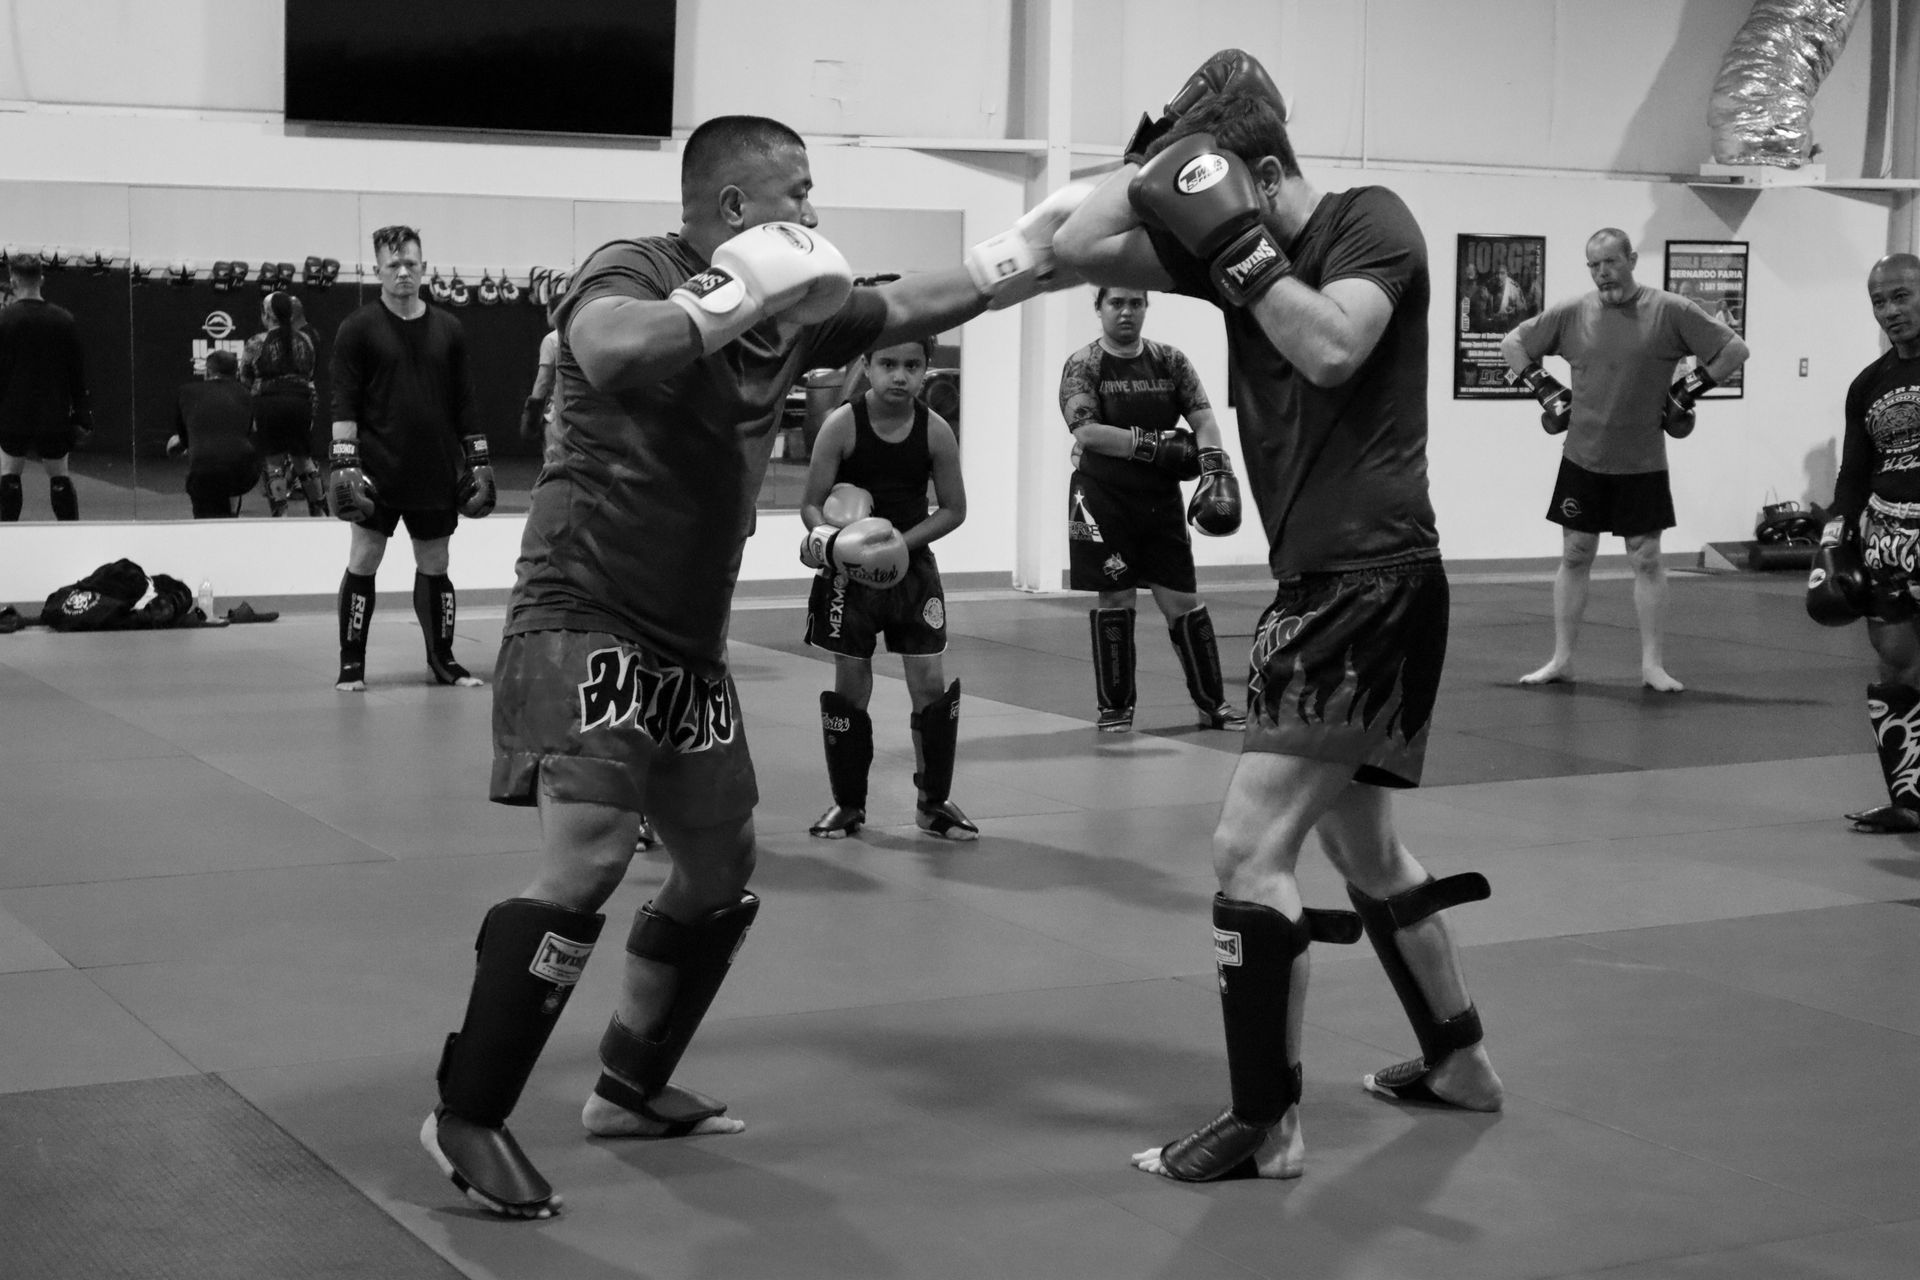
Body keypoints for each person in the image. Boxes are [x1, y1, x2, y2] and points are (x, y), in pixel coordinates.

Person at [422, 113, 1088, 1219]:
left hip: (687, 643)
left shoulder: (796, 317)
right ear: (739, 209)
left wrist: (1030, 256)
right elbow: (611, 350)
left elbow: (909, 305)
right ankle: (468, 1114)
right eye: (801, 193)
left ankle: (628, 1085)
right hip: (582, 610)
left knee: (719, 870)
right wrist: (735, 294)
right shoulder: (632, 269)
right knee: (586, 858)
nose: (817, 216)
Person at [1055, 49, 1504, 1183]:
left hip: (1372, 579)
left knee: (1247, 846)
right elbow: (1075, 239)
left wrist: (1233, 239)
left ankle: (1267, 1121)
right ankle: (1458, 1060)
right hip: (1328, 581)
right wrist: (1154, 165)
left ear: (1254, 170)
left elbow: (1333, 344)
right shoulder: (1225, 253)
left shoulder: (1370, 221)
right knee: (1365, 843)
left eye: (1210, 182)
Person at [1502, 227, 1749, 693]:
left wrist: (1688, 389)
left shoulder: (1670, 310)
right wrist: (1544, 387)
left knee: (1647, 557)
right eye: (1593, 266)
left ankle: (1652, 666)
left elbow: (1734, 349)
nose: (1602, 274)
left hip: (1642, 460)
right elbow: (1512, 344)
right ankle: (1562, 659)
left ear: (1631, 259)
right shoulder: (1573, 313)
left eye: (1610, 263)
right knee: (1575, 554)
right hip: (1583, 456)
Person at [799, 334, 975, 841]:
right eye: (888, 364)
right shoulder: (842, 424)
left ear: (926, 370)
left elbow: (954, 508)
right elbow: (811, 505)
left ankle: (933, 803)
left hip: (913, 573)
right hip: (849, 578)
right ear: (867, 364)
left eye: (912, 366)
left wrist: (899, 544)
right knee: (851, 687)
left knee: (929, 685)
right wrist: (841, 542)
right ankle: (848, 805)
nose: (900, 375)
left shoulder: (935, 431)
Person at [1061, 285, 1247, 733]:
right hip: (1104, 497)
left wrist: (1215, 470)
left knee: (1181, 599)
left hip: (1160, 499)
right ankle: (1115, 708)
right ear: (1099, 308)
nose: (1126, 312)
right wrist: (1154, 443)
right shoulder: (1084, 364)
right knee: (1117, 597)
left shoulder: (1170, 360)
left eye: (1135, 303)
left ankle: (1213, 704)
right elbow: (1087, 432)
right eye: (1116, 303)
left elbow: (1203, 419)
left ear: (1146, 307)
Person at [327, 224, 494, 692]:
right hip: (377, 470)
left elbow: (466, 401)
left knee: (435, 562)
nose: (403, 272)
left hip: (435, 468)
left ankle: (442, 660)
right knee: (364, 558)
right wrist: (345, 464)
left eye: (411, 264)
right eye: (393, 265)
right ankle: (351, 665)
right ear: (376, 269)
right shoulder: (357, 328)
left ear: (424, 267)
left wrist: (478, 459)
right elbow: (344, 402)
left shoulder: (449, 328)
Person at [1806, 253, 1920, 833]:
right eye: (1879, 301)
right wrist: (1833, 539)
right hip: (1890, 538)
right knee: (1896, 662)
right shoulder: (1868, 384)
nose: (1891, 310)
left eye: (1901, 296)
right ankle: (1910, 801)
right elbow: (1853, 472)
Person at [0, 253, 91, 522]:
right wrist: (82, 413)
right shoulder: (64, 320)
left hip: (13, 411)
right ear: (42, 278)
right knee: (59, 475)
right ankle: (71, 532)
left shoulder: (4, 320)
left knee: (9, 473)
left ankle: (7, 537)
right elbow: (77, 373)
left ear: (13, 280)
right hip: (53, 412)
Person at [241, 289, 327, 517]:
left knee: (273, 460)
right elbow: (309, 374)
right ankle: (320, 511)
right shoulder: (305, 339)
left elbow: (245, 377)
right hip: (301, 403)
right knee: (303, 458)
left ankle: (281, 514)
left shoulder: (256, 342)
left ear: (267, 315)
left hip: (268, 404)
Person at [168, 350, 259, 518]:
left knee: (209, 478)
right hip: (244, 472)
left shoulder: (186, 391)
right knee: (229, 466)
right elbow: (248, 432)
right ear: (236, 371)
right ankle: (231, 515)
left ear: (208, 371)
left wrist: (179, 445)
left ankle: (211, 523)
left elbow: (184, 437)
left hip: (205, 472)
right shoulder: (246, 393)